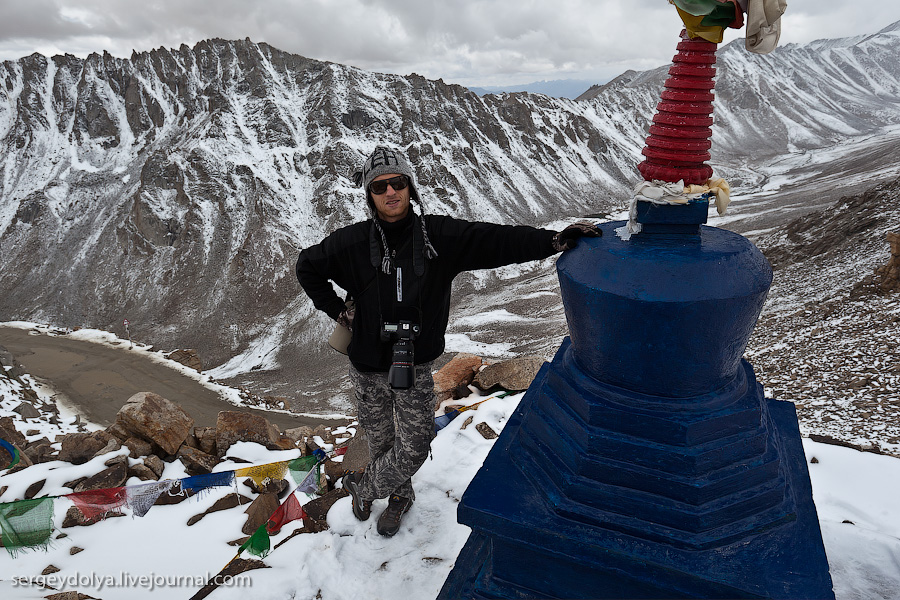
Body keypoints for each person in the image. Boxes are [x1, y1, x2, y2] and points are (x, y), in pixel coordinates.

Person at [295, 146, 599, 537]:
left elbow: (495, 240)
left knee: (416, 444)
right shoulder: (351, 244)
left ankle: (364, 486)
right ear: (369, 196)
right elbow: (307, 265)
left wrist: (553, 240)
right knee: (382, 440)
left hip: (415, 362)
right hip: (367, 365)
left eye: (398, 182)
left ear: (409, 186)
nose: (391, 192)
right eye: (379, 186)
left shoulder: (439, 238)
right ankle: (399, 496)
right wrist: (336, 309)